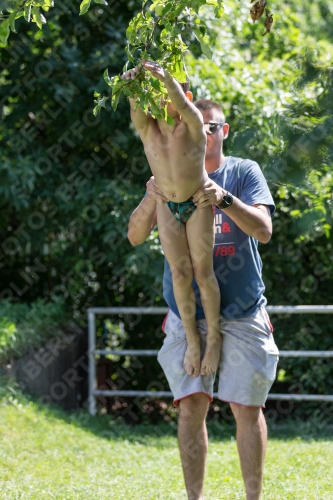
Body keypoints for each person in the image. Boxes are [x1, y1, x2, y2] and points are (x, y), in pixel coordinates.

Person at [127, 98, 279, 500]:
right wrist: (151, 195)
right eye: (202, 127)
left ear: (223, 132)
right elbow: (135, 235)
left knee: (246, 408)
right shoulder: (170, 167)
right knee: (191, 406)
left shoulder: (244, 171)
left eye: (214, 128)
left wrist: (223, 198)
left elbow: (264, 230)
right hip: (185, 314)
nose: (207, 134)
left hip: (244, 310)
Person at [121, 60, 221, 378]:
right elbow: (136, 108)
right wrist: (133, 83)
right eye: (158, 95)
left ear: (183, 95)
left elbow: (182, 104)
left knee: (203, 274)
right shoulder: (148, 128)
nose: (163, 100)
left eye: (168, 93)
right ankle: (193, 339)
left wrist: (166, 78)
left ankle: (214, 336)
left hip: (197, 204)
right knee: (180, 274)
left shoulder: (193, 125)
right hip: (168, 206)